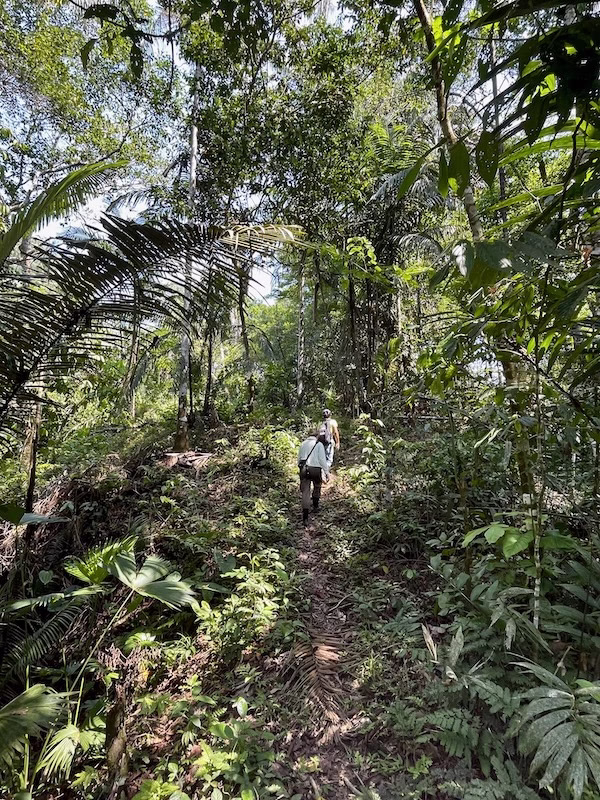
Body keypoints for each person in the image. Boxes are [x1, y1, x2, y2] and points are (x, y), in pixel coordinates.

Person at [297, 432, 330, 527]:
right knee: (317, 485)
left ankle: (305, 517)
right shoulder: (319, 444)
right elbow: (322, 460)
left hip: (304, 469)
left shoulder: (303, 444)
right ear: (316, 437)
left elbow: (299, 459)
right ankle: (315, 506)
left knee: (305, 492)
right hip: (315, 469)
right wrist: (326, 472)